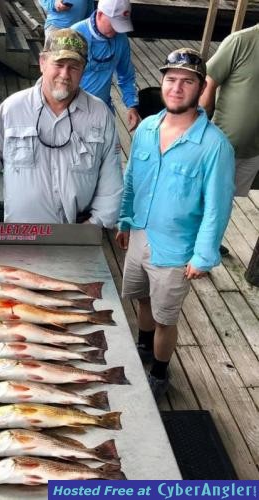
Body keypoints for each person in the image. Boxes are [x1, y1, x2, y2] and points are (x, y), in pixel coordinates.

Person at [116, 48, 235, 401]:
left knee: (167, 317)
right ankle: (142, 346)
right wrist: (125, 220)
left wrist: (203, 255)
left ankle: (160, 371)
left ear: (201, 89)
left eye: (187, 81)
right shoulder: (147, 127)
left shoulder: (215, 147)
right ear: (162, 83)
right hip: (139, 232)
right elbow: (132, 179)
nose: (177, 87)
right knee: (141, 298)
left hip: (175, 249)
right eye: (171, 79)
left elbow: (218, 206)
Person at [0, 29, 123, 227]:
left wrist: (94, 225)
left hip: (76, 234)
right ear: (42, 63)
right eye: (59, 64)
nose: (65, 74)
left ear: (84, 69)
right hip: (19, 234)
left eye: (74, 67)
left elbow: (112, 182)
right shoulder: (12, 109)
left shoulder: (101, 115)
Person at [199, 24, 259, 256]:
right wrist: (201, 126)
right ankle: (193, 243)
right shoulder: (240, 41)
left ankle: (210, 241)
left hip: (253, 149)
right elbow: (209, 82)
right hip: (223, 142)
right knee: (205, 194)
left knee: (225, 199)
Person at [71, 0, 141, 131]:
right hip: (73, 110)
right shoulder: (75, 34)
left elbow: (126, 75)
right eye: (114, 24)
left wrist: (132, 105)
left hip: (103, 109)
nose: (117, 30)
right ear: (100, 14)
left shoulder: (121, 39)